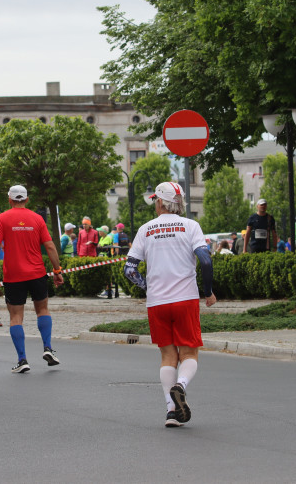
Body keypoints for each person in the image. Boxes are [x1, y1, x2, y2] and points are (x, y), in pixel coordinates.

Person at [123, 181, 215, 428]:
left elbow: (129, 270)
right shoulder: (191, 226)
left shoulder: (145, 230)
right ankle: (180, 386)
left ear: (161, 202)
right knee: (189, 352)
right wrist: (209, 291)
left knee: (167, 356)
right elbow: (205, 262)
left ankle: (171, 410)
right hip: (185, 299)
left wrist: (147, 286)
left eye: (155, 200)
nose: (155, 204)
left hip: (157, 303)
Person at [0, 185, 64, 373]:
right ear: (27, 200)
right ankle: (47, 348)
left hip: (13, 275)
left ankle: (22, 360)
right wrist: (57, 270)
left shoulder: (3, 218)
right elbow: (51, 246)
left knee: (15, 317)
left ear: (10, 200)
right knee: (43, 309)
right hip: (37, 273)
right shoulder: (37, 219)